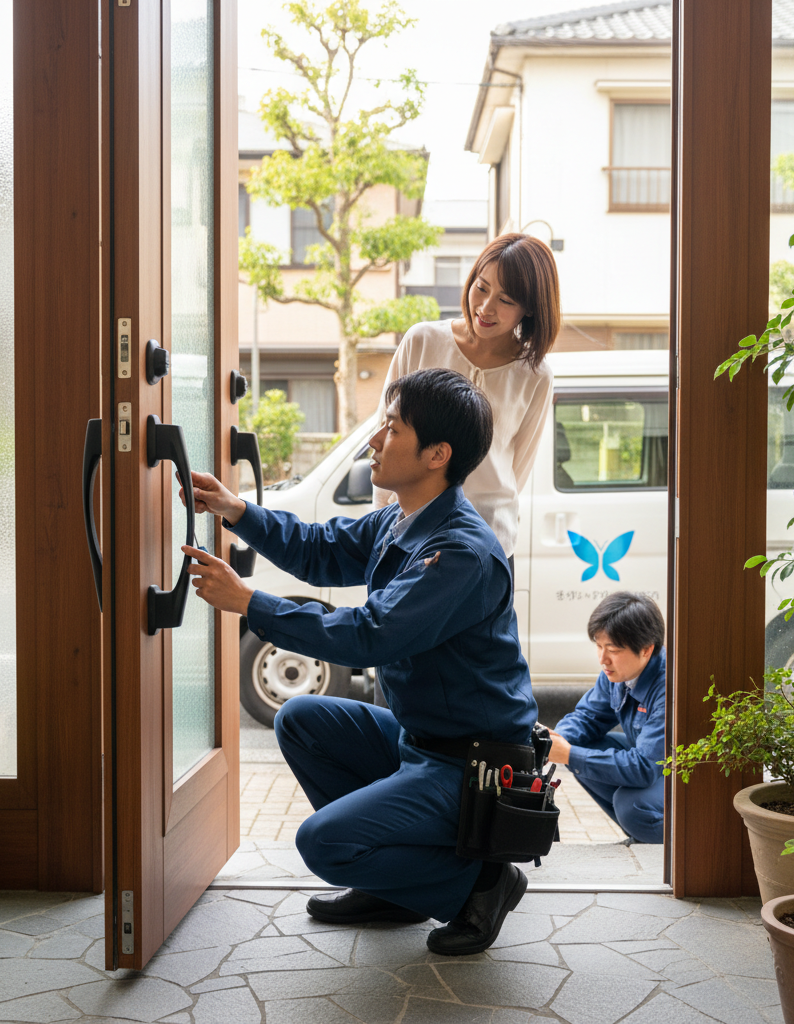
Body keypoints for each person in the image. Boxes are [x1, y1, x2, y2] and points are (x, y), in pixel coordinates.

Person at [178, 368, 538, 955]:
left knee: (324, 844)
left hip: (471, 765)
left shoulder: (460, 553)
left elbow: (370, 635)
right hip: (422, 741)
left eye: (391, 429)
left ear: (437, 455)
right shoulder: (402, 519)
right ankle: (395, 888)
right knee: (300, 720)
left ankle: (481, 885)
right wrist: (236, 509)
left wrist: (248, 602)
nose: (374, 440)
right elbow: (319, 549)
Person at [374, 233, 560, 565]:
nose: (486, 308)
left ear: (530, 308)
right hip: (409, 536)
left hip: (486, 544)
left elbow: (516, 471)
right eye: (482, 287)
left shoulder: (535, 376)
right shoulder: (422, 341)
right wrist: (380, 530)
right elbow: (385, 438)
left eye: (506, 300)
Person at [543, 592, 666, 845]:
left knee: (632, 806)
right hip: (653, 763)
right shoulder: (618, 672)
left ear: (646, 649)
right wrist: (554, 739)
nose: (602, 659)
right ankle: (640, 836)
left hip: (686, 778)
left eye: (613, 650)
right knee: (580, 748)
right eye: (599, 646)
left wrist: (569, 754)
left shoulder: (669, 686)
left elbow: (644, 767)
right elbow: (588, 717)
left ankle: (669, 845)